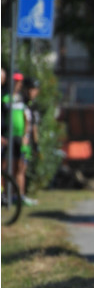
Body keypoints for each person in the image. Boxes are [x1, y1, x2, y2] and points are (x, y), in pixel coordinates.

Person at [1, 72, 33, 205]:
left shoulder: (23, 98)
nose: (17, 84)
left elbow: (28, 119)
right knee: (5, 166)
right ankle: (4, 194)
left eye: (19, 82)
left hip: (20, 137)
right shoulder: (4, 98)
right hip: (7, 137)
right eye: (15, 81)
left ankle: (19, 196)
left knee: (20, 167)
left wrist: (26, 136)